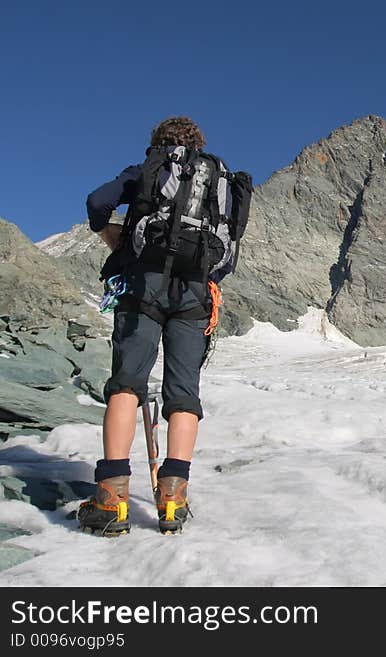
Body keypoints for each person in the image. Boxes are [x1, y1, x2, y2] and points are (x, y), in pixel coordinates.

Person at [77, 116, 243, 536]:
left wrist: (113, 236)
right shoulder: (219, 181)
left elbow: (98, 202)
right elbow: (230, 246)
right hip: (195, 294)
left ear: (158, 143)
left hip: (142, 286)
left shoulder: (147, 170)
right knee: (184, 394)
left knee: (126, 385)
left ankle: (112, 502)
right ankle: (173, 499)